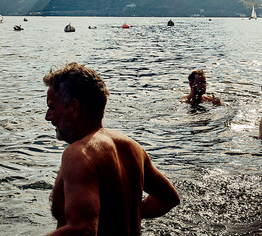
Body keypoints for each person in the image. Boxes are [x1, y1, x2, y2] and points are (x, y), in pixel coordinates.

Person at [44, 62, 180, 236]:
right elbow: (168, 198)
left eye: (51, 107)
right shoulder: (133, 148)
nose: (48, 117)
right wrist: (128, 212)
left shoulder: (79, 153)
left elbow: (83, 230)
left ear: (74, 108)